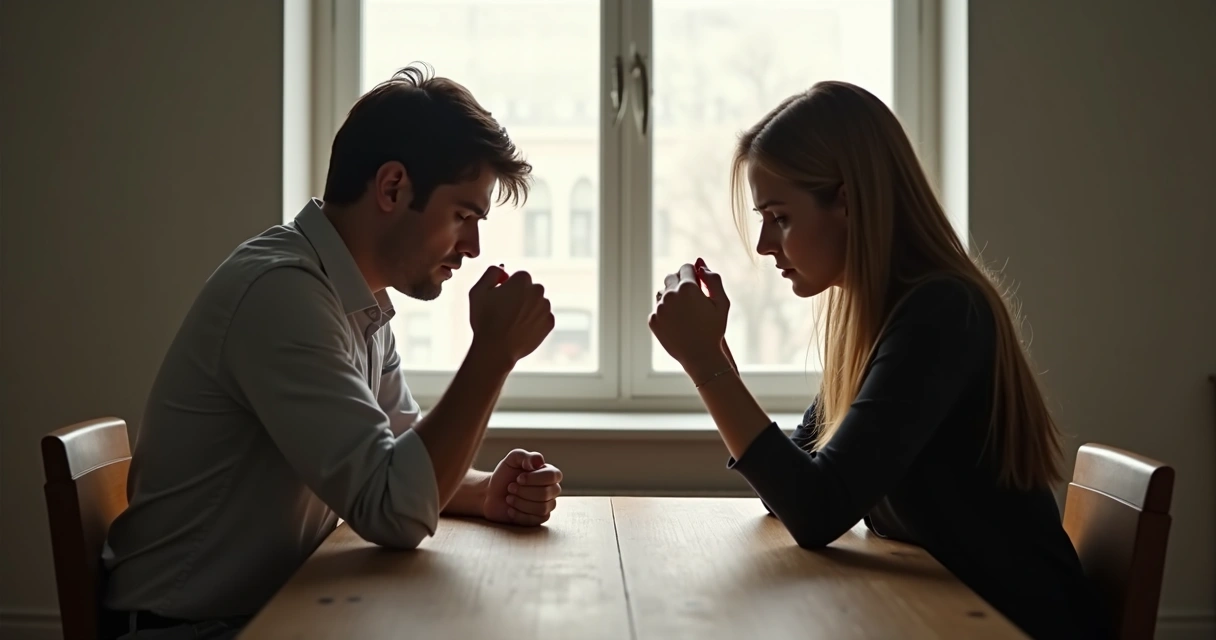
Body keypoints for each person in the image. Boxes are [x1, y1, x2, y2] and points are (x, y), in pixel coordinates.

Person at [101, 65, 563, 639]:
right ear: (392, 188)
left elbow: (398, 461)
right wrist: (492, 354)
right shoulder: (282, 294)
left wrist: (482, 491)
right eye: (463, 216)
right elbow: (395, 509)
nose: (471, 247)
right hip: (193, 629)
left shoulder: (355, 299)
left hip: (268, 613)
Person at [648, 81, 1112, 639]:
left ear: (847, 200)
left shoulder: (941, 313)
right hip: (941, 617)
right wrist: (716, 356)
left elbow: (816, 511)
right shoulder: (881, 315)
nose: (766, 244)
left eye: (781, 217)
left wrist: (706, 366)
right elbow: (792, 487)